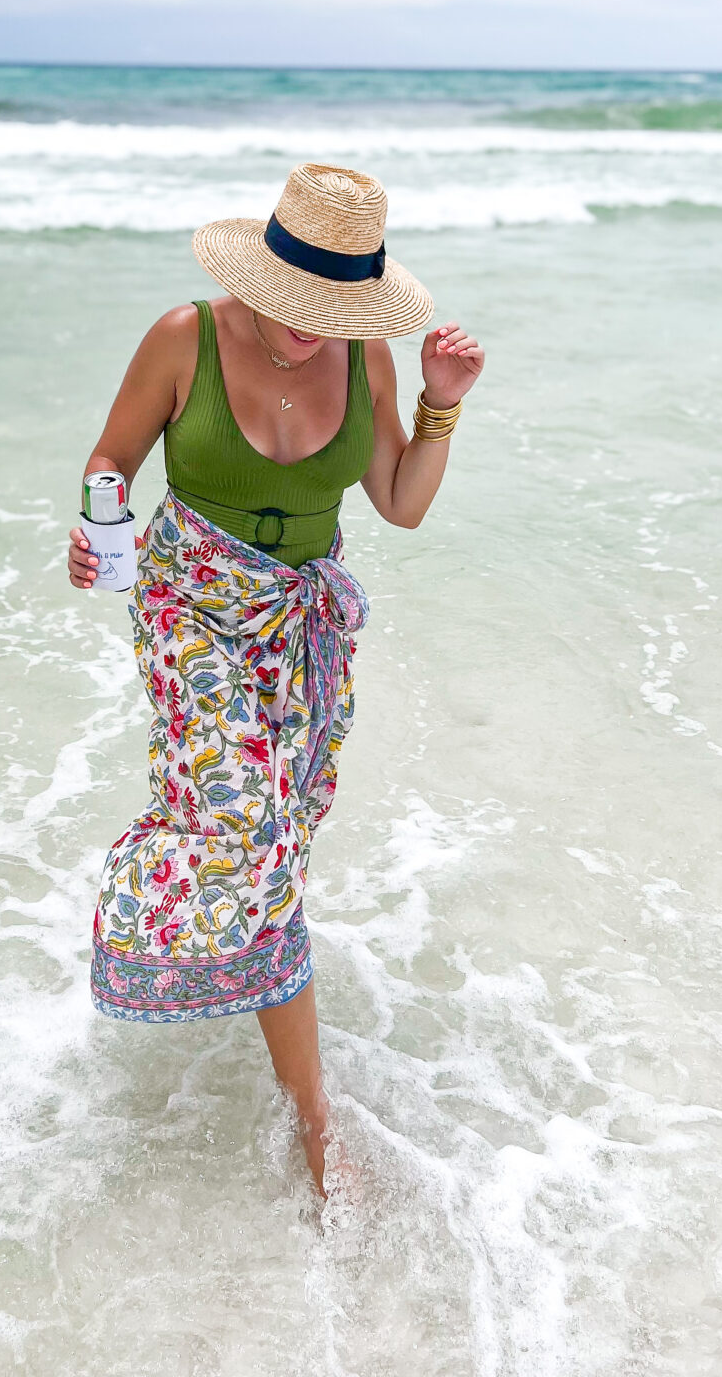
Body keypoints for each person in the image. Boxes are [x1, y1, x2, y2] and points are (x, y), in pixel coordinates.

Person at [69, 163, 484, 1196]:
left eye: (333, 310)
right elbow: (111, 460)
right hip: (189, 606)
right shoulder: (185, 338)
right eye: (295, 305)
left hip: (293, 623)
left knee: (274, 848)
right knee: (249, 825)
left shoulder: (368, 357)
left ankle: (255, 1006)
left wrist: (440, 406)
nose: (310, 330)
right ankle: (313, 1120)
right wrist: (94, 533)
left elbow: (399, 501)